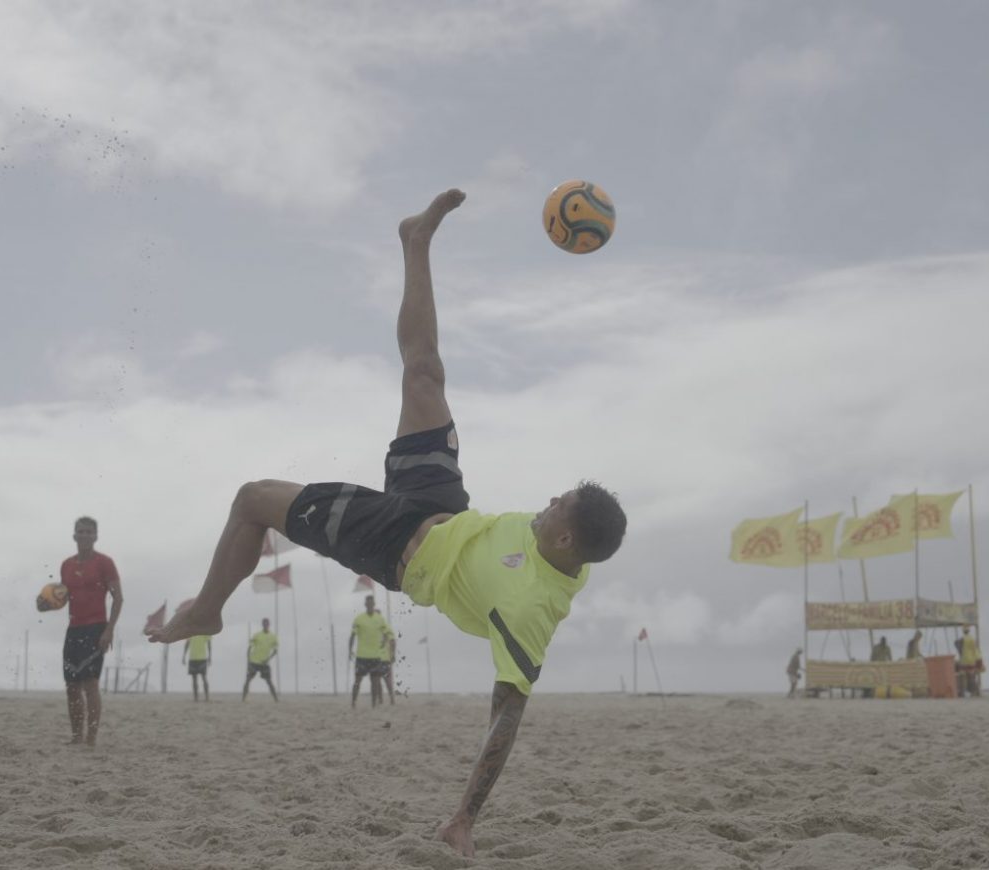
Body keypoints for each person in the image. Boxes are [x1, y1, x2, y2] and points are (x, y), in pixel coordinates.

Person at [146, 189, 628, 857]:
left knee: (253, 497)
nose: (547, 502)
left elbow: (505, 720)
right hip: (442, 502)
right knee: (423, 371)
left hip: (394, 544)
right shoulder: (548, 541)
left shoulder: (532, 609)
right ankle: (417, 243)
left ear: (566, 539)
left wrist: (464, 818)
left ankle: (205, 611)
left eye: (558, 508)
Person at [38, 516, 122, 747]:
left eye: (88, 532)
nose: (84, 535)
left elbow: (118, 598)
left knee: (90, 683)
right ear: (74, 536)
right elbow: (62, 599)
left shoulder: (105, 563)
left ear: (95, 536)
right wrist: (44, 605)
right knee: (71, 685)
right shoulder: (66, 565)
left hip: (96, 628)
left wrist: (109, 630)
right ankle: (76, 737)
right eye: (80, 531)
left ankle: (90, 739)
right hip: (73, 629)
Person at [350, 596, 393, 708]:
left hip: (376, 656)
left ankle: (375, 704)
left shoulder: (380, 619)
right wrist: (350, 650)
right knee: (357, 681)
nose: (370, 605)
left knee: (376, 682)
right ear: (365, 604)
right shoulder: (359, 618)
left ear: (374, 604)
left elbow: (388, 634)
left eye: (372, 603)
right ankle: (353, 703)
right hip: (362, 655)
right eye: (368, 603)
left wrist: (385, 643)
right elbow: (353, 635)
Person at [242, 618, 279, 702]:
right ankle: (243, 699)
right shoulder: (257, 635)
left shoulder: (273, 637)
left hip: (264, 663)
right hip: (254, 662)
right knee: (248, 680)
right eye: (264, 623)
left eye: (267, 623)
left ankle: (276, 699)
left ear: (269, 624)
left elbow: (275, 651)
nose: (265, 625)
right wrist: (248, 660)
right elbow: (250, 647)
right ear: (262, 624)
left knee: (269, 681)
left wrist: (268, 659)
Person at [184, 634, 212, 702]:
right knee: (194, 679)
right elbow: (187, 643)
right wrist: (184, 655)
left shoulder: (205, 631)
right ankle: (196, 698)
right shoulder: (190, 631)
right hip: (192, 658)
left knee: (203, 678)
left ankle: (207, 697)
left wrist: (210, 656)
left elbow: (209, 644)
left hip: (202, 658)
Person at [958, 626, 983, 697]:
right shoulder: (972, 639)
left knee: (965, 676)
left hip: (965, 660)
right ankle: (974, 692)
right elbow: (975, 649)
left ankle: (966, 692)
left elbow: (959, 647)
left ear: (963, 631)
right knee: (972, 676)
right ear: (969, 631)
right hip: (972, 659)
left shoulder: (962, 639)